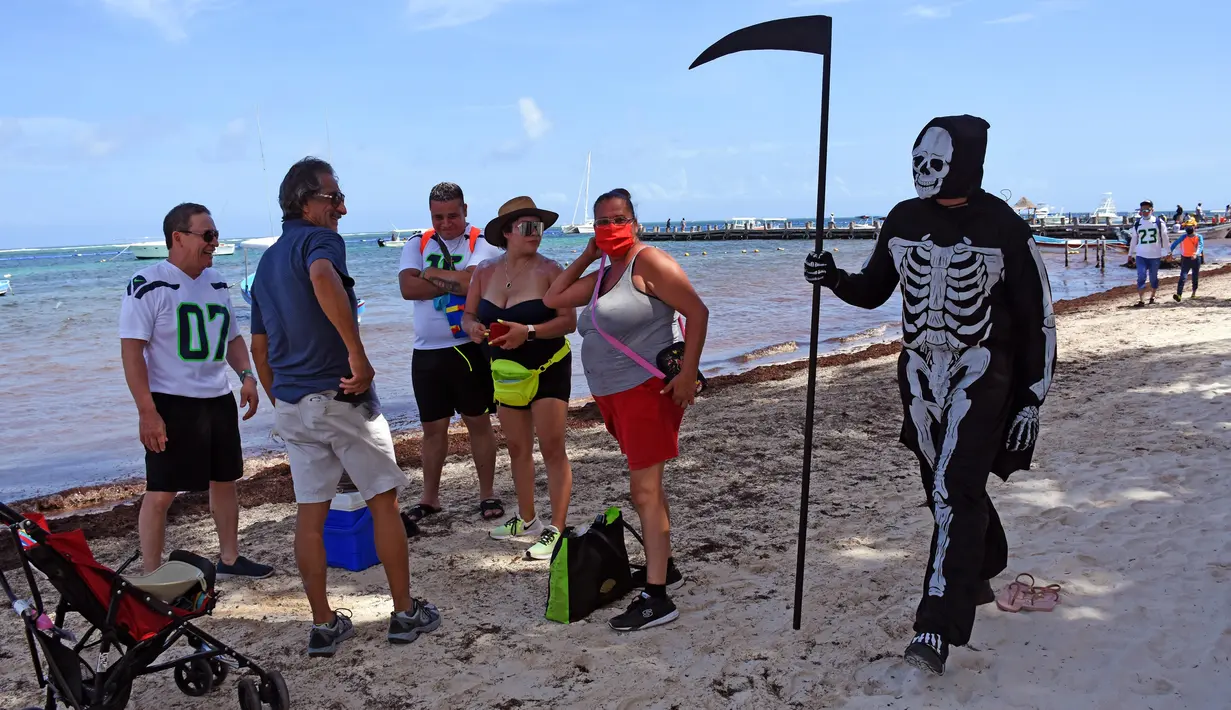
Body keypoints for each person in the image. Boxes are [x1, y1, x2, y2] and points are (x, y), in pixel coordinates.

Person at [803, 115, 1057, 675]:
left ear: (965, 164)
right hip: (918, 371)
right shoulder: (902, 218)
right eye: (916, 162)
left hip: (982, 373)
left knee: (952, 486)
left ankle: (936, 627)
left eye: (935, 164)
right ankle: (985, 562)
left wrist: (1033, 398)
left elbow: (1038, 317)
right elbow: (874, 291)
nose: (923, 173)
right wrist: (834, 277)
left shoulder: (1004, 226)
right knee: (943, 487)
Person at [249, 157, 440, 657]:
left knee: (310, 517)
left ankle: (324, 623)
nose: (343, 208)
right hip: (341, 396)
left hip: (293, 403)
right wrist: (357, 353)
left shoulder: (266, 262)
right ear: (305, 202)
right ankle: (404, 612)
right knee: (383, 503)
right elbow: (320, 278)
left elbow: (259, 349)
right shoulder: (320, 242)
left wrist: (280, 399)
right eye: (334, 198)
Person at [545, 188, 708, 632]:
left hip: (645, 392)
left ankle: (657, 597)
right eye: (600, 223)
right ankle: (665, 566)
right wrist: (585, 255)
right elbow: (553, 299)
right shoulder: (603, 272)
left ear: (634, 222)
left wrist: (688, 373)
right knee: (650, 484)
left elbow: (697, 311)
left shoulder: (648, 261)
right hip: (614, 395)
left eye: (617, 221)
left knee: (644, 491)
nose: (609, 229)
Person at [120, 202, 274, 580]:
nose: (214, 243)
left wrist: (246, 376)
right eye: (207, 236)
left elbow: (232, 338)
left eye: (216, 236)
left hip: (216, 399)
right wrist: (147, 411)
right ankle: (153, 573)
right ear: (178, 237)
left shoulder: (218, 282)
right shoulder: (149, 284)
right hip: (171, 402)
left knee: (225, 480)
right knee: (161, 491)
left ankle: (230, 558)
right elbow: (132, 352)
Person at [459, 196, 576, 560]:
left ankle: (556, 528)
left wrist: (528, 330)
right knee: (518, 448)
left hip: (548, 366)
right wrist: (475, 328)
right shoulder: (484, 272)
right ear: (507, 232)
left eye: (539, 226)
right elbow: (467, 315)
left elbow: (568, 321)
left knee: (553, 448)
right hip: (505, 372)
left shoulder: (551, 270)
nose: (535, 233)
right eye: (527, 227)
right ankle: (528, 520)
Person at [398, 182, 504, 529]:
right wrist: (451, 279)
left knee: (478, 422)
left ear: (465, 210)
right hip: (426, 352)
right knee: (432, 429)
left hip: (468, 348)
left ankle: (486, 493)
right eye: (438, 217)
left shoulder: (482, 241)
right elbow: (406, 288)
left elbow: (473, 284)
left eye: (453, 215)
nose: (446, 223)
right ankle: (430, 498)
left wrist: (429, 274)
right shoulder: (418, 242)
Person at [1128, 200, 1169, 307]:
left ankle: (1153, 296)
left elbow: (1165, 238)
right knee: (1141, 276)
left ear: (1152, 210)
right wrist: (1130, 254)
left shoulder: (1159, 223)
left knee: (1153, 277)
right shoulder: (1137, 224)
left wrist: (1169, 252)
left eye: (1147, 210)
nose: (1145, 212)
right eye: (1142, 210)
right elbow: (1133, 240)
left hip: (1155, 255)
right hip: (1141, 255)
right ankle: (1141, 300)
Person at [1169, 221, 1205, 301]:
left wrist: (1196, 254)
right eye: (1186, 227)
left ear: (1194, 227)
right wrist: (1170, 252)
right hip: (1185, 259)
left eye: (1190, 226)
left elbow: (1200, 246)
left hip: (1196, 259)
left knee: (1195, 277)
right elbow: (1175, 243)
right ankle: (1179, 295)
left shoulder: (1199, 237)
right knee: (1183, 277)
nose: (1188, 228)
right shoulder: (1183, 237)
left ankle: (1194, 293)